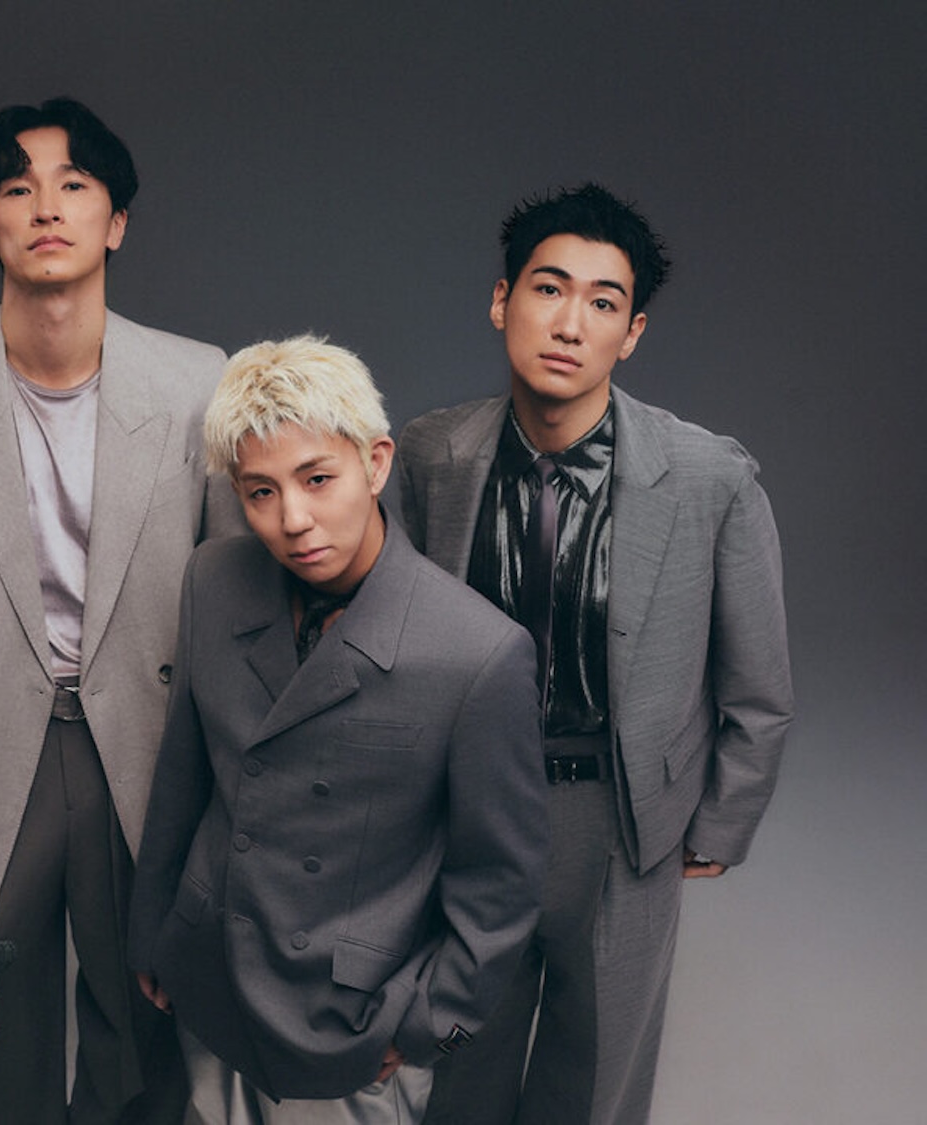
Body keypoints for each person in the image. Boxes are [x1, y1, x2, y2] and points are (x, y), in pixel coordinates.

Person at [0, 97, 242, 1125]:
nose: (46, 206)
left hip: (145, 742)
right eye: (16, 187)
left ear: (117, 222)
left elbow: (228, 605)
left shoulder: (199, 380)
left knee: (147, 1035)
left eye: (75, 183)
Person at [398, 184, 794, 1124]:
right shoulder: (431, 454)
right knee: (458, 1064)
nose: (570, 323)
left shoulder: (707, 477)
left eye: (603, 302)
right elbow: (393, 643)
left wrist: (721, 819)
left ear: (632, 332)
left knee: (595, 1079)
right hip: (472, 807)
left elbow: (760, 681)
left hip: (619, 819)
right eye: (548, 289)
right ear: (502, 301)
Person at [128, 336, 547, 1124]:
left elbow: (501, 886)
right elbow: (181, 775)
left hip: (350, 1018)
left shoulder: (478, 651)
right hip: (208, 976)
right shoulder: (213, 579)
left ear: (376, 463)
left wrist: (429, 1028)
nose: (293, 519)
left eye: (318, 479)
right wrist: (153, 932)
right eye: (261, 491)